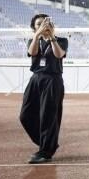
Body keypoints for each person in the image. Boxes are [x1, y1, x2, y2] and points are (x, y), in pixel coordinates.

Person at [20, 13, 67, 164]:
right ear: (34, 28)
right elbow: (32, 53)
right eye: (39, 24)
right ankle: (47, 142)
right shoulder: (32, 41)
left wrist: (52, 37)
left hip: (53, 80)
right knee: (25, 115)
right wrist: (37, 36)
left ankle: (45, 151)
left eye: (46, 23)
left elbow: (59, 54)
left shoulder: (61, 40)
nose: (43, 26)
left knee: (48, 115)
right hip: (36, 78)